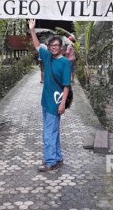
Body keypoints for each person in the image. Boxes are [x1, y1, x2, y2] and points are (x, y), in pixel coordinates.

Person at [28, 19, 72, 172]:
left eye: (56, 46)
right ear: (49, 47)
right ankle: (57, 158)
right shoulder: (47, 57)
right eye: (51, 46)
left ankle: (50, 162)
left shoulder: (65, 63)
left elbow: (67, 85)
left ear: (61, 47)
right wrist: (32, 30)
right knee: (53, 131)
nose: (54, 48)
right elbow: (36, 45)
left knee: (48, 133)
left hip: (55, 102)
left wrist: (62, 104)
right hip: (45, 102)